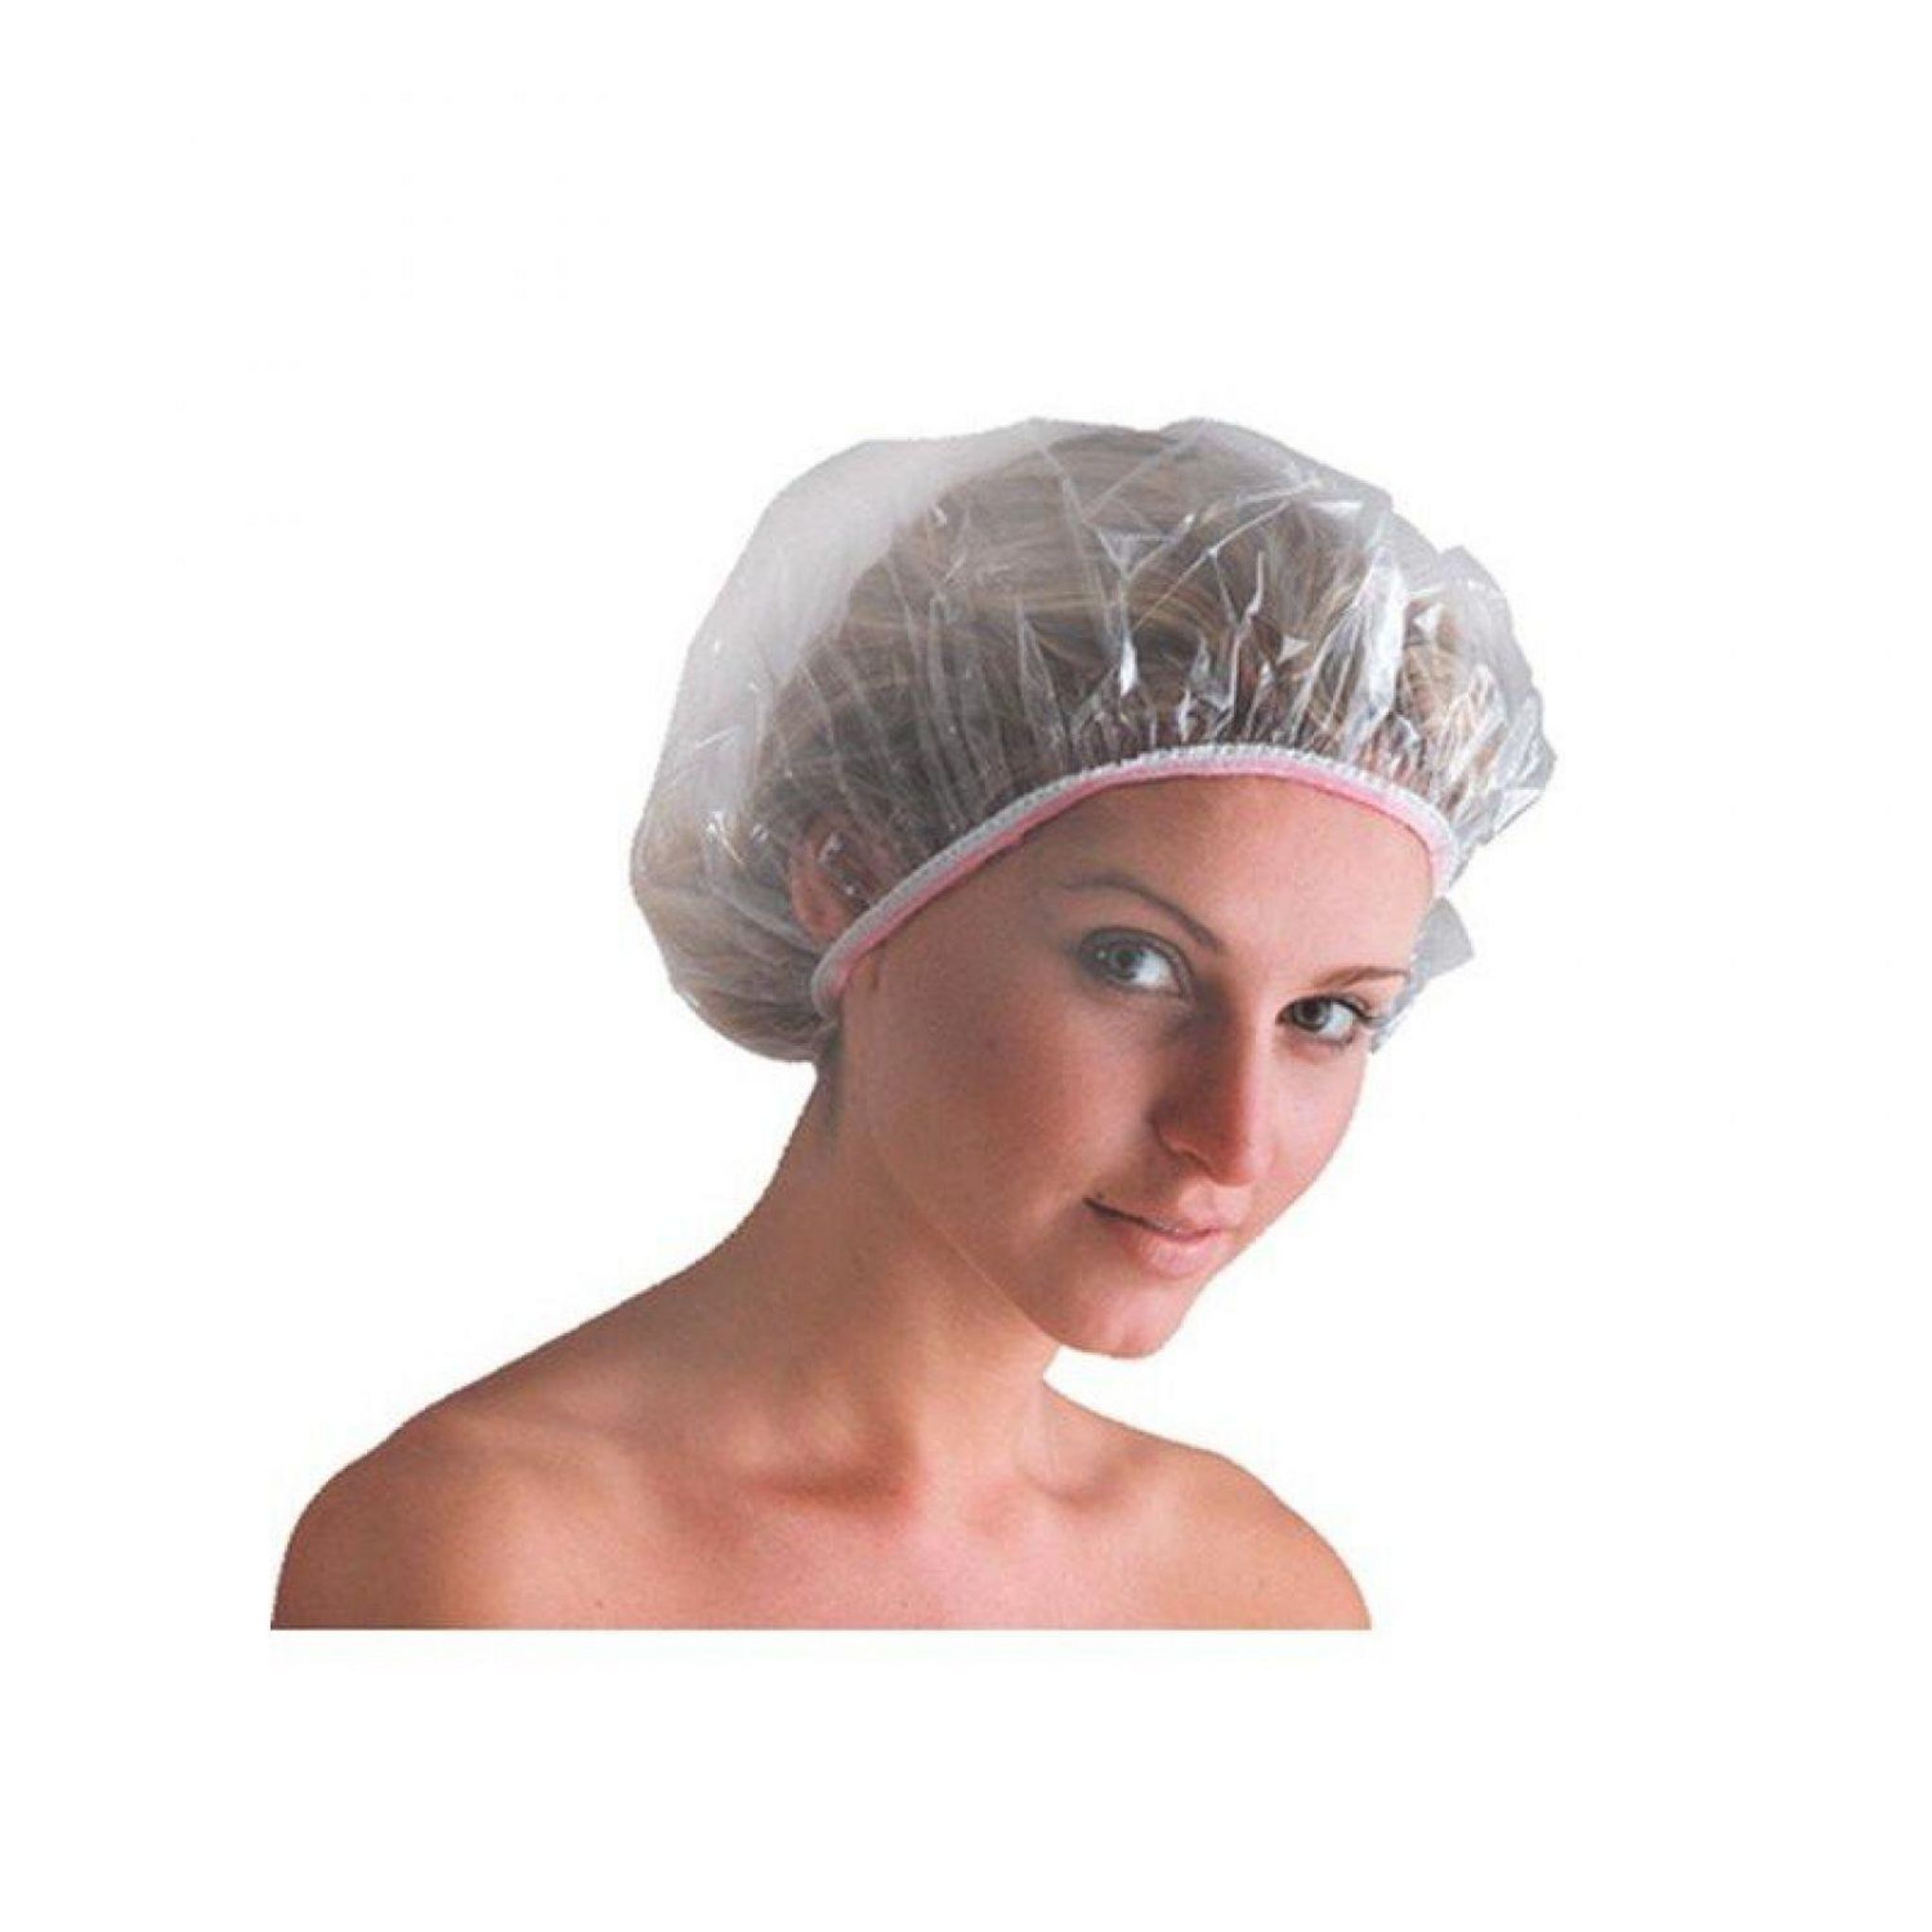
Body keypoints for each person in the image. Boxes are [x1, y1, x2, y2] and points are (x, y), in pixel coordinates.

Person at [272, 416, 1555, 1628]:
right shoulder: (482, 1560)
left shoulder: (1256, 1593)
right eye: (1135, 964)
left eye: (1326, 1015)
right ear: (851, 878)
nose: (1233, 1136)